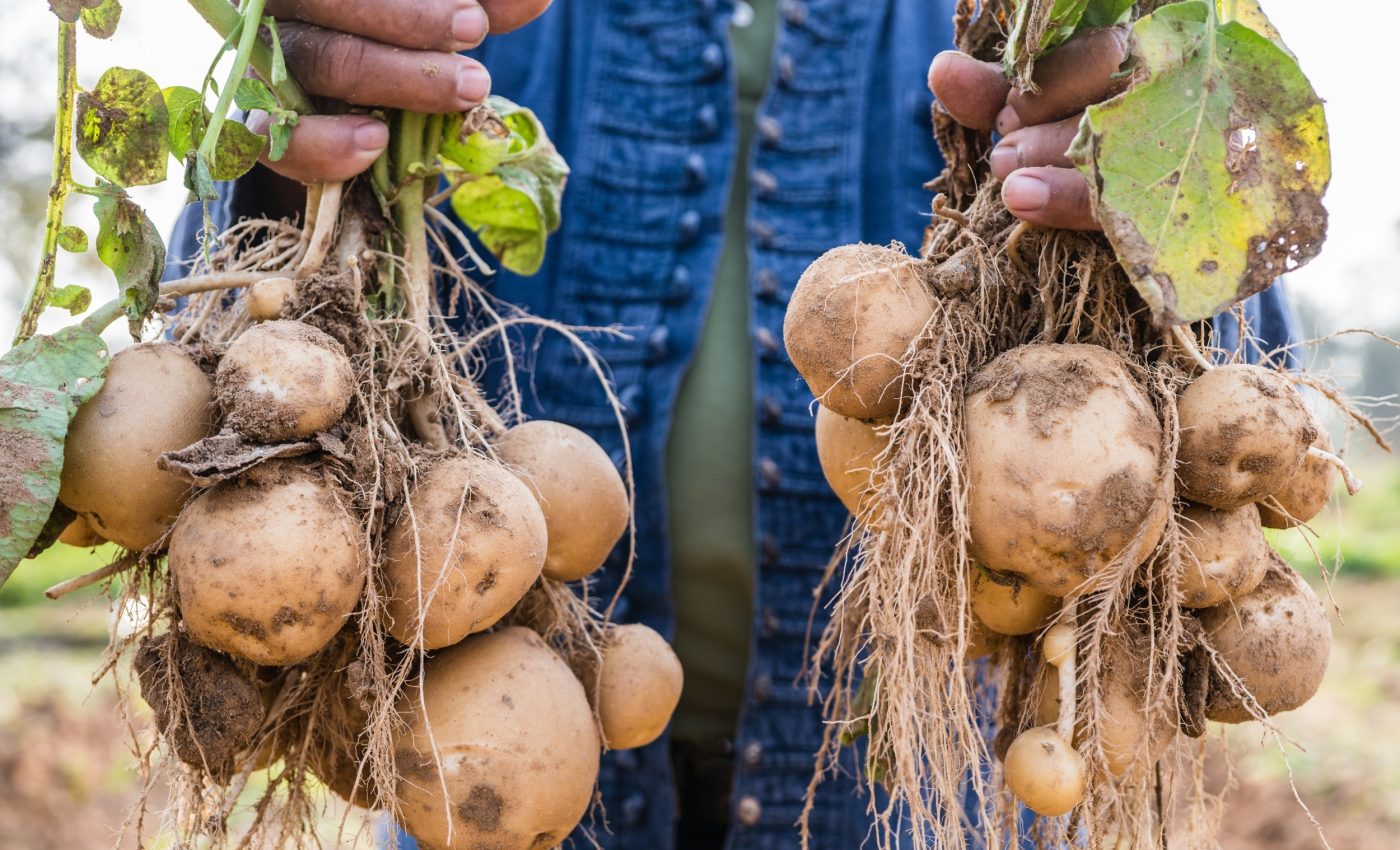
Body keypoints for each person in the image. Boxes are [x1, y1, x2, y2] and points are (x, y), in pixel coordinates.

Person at [168, 2, 1298, 847]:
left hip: (926, 795)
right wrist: (284, 139)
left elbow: (1237, 416)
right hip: (485, 764)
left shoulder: (1016, 19)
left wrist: (1177, 172)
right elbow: (213, 369)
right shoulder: (474, 11)